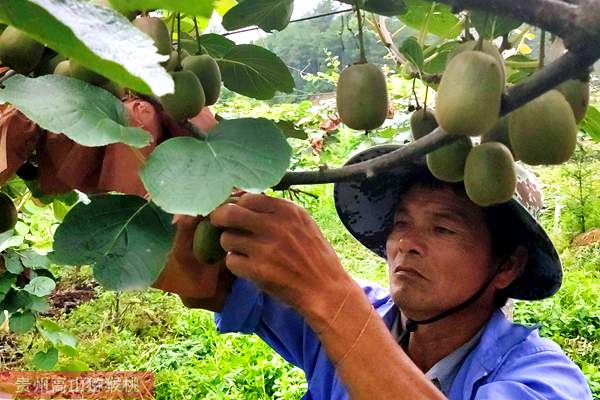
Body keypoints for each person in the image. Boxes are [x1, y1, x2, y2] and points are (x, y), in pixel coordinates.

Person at [158, 144, 593, 399]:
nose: (407, 243)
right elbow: (209, 281)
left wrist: (328, 295)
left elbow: (333, 309)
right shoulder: (354, 316)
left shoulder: (545, 381)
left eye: (442, 227)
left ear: (508, 265)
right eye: (401, 223)